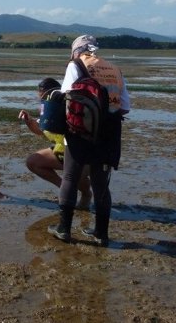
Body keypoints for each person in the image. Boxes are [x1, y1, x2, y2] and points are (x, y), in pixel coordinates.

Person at [48, 35, 130, 246]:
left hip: (80, 131)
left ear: (78, 50)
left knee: (70, 177)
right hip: (109, 132)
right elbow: (126, 106)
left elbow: (67, 94)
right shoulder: (115, 69)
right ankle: (101, 234)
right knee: (101, 182)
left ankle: (64, 229)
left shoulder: (75, 65)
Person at [18, 78, 91, 209]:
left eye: (44, 98)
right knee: (33, 162)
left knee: (76, 173)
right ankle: (64, 187)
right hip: (62, 152)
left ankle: (86, 194)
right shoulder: (49, 111)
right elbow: (40, 130)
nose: (43, 103)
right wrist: (28, 121)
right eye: (42, 100)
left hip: (81, 155)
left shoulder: (69, 107)